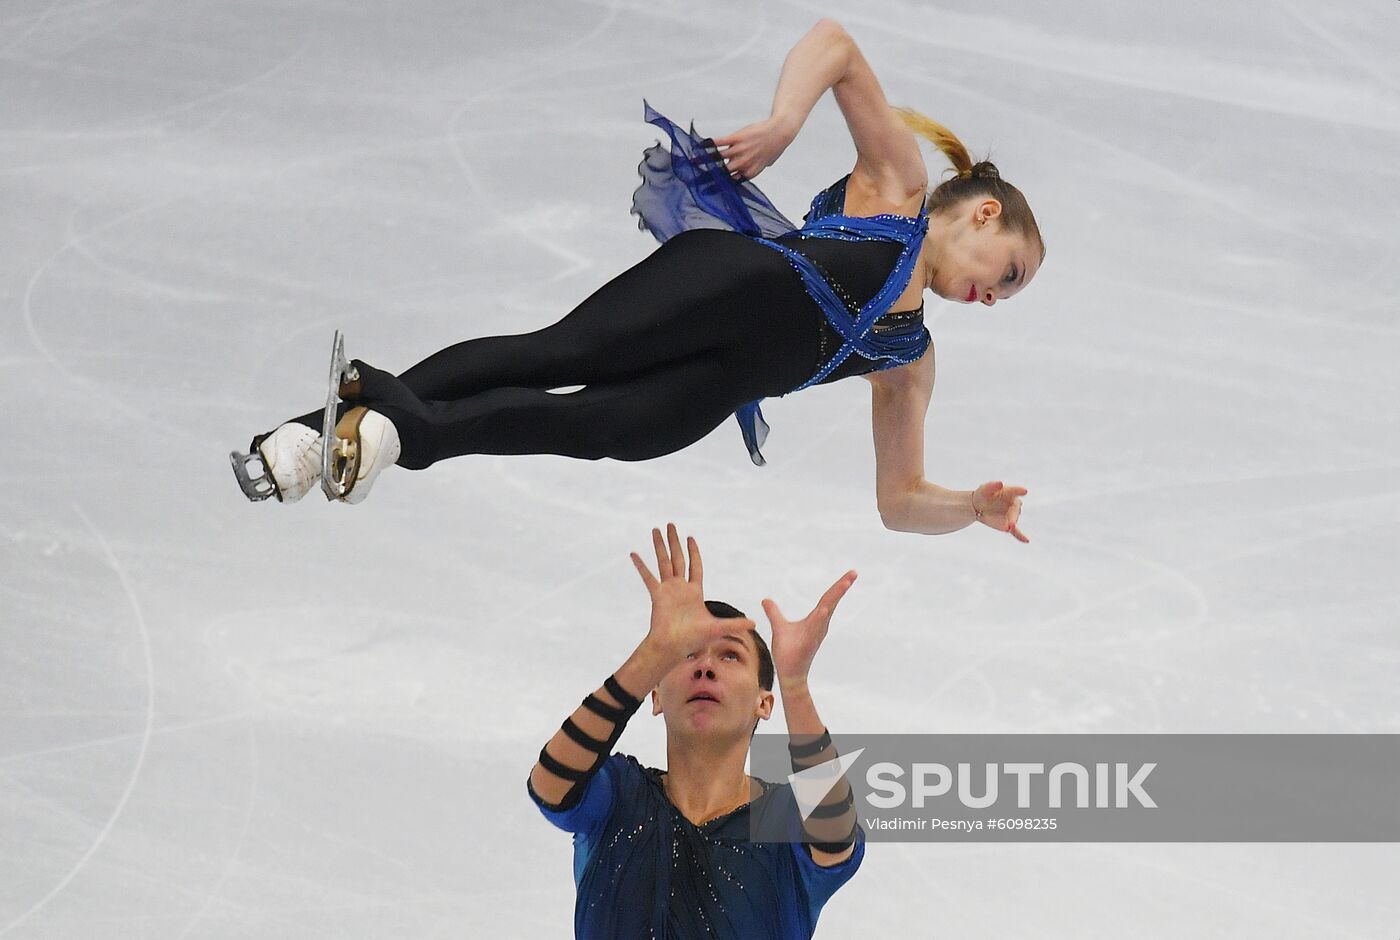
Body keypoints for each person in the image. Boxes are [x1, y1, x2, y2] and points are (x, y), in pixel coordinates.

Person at [231, 18, 1041, 539]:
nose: (994, 297)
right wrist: (786, 121)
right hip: (729, 286)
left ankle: (388, 420)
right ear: (982, 214)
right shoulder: (897, 187)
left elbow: (898, 501)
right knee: (554, 358)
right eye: (1008, 272)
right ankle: (307, 432)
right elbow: (835, 45)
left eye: (1007, 295)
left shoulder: (912, 360)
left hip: (721, 384)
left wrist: (968, 508)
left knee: (593, 432)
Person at [528, 523, 864, 939]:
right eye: (687, 655)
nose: (705, 666)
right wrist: (653, 652)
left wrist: (794, 684)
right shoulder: (620, 795)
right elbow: (550, 785)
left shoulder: (786, 820)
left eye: (730, 656)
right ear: (655, 695)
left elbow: (835, 836)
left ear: (764, 703)